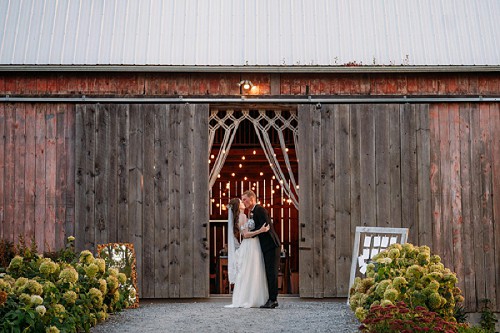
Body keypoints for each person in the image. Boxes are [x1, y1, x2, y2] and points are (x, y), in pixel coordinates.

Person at [225, 198, 270, 308]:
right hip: (251, 244)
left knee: (247, 272)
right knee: (252, 270)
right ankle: (251, 298)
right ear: (238, 206)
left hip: (249, 245)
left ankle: (246, 297)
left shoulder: (242, 216)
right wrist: (260, 231)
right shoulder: (243, 216)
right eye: (241, 202)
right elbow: (245, 234)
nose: (243, 203)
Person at [241, 190, 281, 309]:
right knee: (268, 272)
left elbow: (265, 226)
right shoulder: (253, 212)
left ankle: (273, 300)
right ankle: (271, 298)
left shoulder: (260, 210)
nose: (244, 202)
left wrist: (250, 233)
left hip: (271, 245)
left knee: (272, 272)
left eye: (245, 199)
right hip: (266, 246)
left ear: (252, 198)